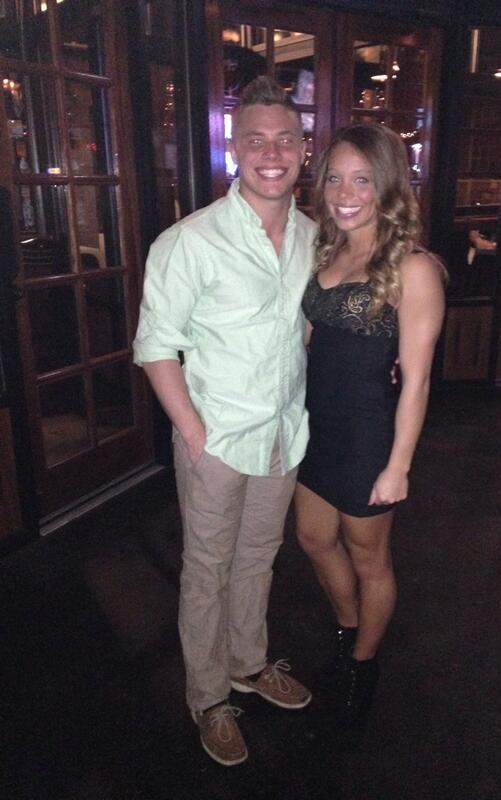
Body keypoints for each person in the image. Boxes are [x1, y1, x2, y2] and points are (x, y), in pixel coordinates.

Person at [133, 77, 315, 767]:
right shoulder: (190, 241)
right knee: (206, 570)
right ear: (234, 149)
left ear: (303, 149)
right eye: (256, 140)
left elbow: (304, 329)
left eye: (285, 140)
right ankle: (209, 698)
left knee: (259, 557)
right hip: (215, 438)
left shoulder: (312, 236)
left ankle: (249, 663)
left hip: (281, 435)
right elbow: (156, 345)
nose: (272, 153)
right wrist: (194, 433)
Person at [294, 123, 446, 726]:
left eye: (361, 179)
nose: (344, 192)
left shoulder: (414, 267)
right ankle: (348, 629)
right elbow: (311, 342)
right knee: (312, 538)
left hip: (366, 435)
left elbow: (417, 380)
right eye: (334, 178)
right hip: (316, 427)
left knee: (369, 559)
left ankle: (362, 665)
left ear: (387, 186)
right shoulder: (326, 251)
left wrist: (398, 466)